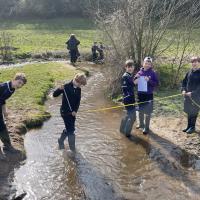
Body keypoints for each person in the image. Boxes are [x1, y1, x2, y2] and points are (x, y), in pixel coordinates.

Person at [53, 73, 87, 151]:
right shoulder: (66, 86)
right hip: (65, 112)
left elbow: (78, 102)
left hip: (72, 113)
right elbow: (54, 95)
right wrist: (59, 89)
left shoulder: (79, 89)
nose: (80, 86)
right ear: (76, 80)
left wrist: (75, 111)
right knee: (71, 131)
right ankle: (73, 150)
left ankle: (60, 141)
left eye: (81, 85)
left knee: (69, 128)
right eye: (80, 84)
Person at [0, 73, 27, 152]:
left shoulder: (12, 89)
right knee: (1, 125)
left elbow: (2, 99)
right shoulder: (3, 87)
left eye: (21, 85)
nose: (20, 85)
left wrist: (4, 111)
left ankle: (7, 146)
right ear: (14, 80)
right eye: (19, 82)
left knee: (2, 126)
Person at [134, 57, 159, 135]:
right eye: (146, 63)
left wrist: (149, 80)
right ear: (143, 63)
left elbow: (157, 83)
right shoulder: (139, 72)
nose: (147, 65)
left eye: (149, 64)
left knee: (148, 112)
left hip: (148, 95)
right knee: (140, 110)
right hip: (140, 94)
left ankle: (146, 127)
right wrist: (135, 80)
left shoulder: (153, 73)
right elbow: (134, 81)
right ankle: (141, 124)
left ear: (151, 65)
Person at [182, 56, 200, 134]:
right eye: (192, 62)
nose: (194, 63)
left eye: (196, 62)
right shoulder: (189, 72)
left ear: (199, 63)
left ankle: (192, 127)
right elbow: (184, 82)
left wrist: (192, 93)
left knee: (194, 111)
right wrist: (183, 90)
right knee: (188, 111)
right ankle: (188, 126)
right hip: (187, 96)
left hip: (196, 97)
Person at [120, 60, 136, 137]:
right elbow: (129, 86)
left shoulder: (129, 75)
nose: (130, 68)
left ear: (133, 67)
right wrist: (135, 82)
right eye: (128, 67)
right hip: (128, 99)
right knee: (133, 117)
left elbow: (131, 83)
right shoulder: (125, 76)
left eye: (131, 67)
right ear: (125, 67)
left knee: (128, 114)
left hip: (129, 99)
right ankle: (127, 134)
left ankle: (122, 129)